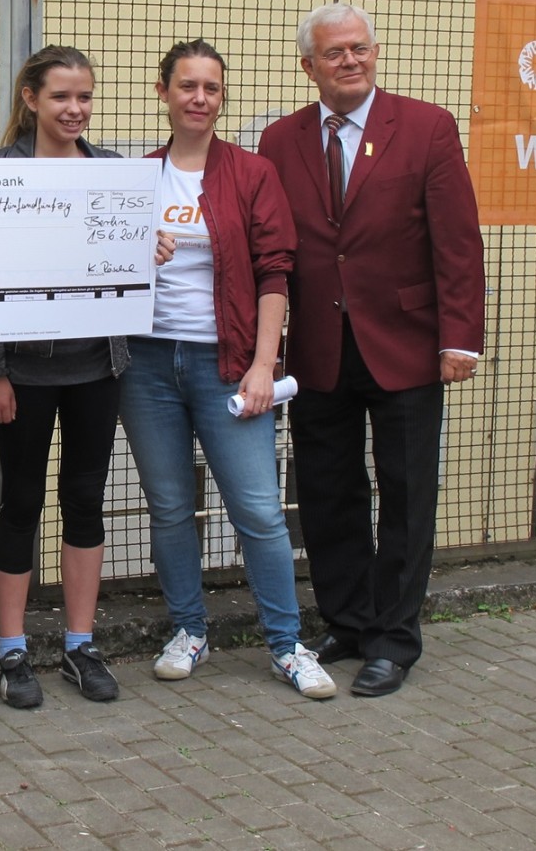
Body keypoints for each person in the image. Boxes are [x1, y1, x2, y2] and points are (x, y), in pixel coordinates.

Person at [258, 3, 485, 696]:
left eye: (359, 48)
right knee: (328, 492)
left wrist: (460, 339)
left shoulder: (425, 127)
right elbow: (272, 244)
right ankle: (350, 622)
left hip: (409, 344)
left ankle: (395, 638)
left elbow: (456, 240)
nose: (350, 60)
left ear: (376, 53)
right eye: (334, 53)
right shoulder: (280, 139)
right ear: (309, 66)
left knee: (407, 492)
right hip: (321, 348)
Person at [118, 39, 336, 700]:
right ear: (163, 92)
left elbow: (276, 271)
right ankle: (189, 630)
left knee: (260, 512)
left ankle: (287, 646)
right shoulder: (135, 178)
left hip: (229, 362)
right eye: (187, 85)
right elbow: (98, 271)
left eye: (212, 88)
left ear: (221, 96)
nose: (200, 98)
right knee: (170, 508)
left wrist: (265, 364)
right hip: (147, 364)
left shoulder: (251, 173)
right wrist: (135, 252)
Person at [0, 46, 129, 709]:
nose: (75, 109)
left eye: (85, 97)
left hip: (99, 367)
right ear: (31, 98)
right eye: (62, 96)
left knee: (85, 499)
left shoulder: (114, 173)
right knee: (21, 502)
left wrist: (144, 250)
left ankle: (78, 643)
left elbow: (127, 270)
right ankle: (11, 650)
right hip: (24, 376)